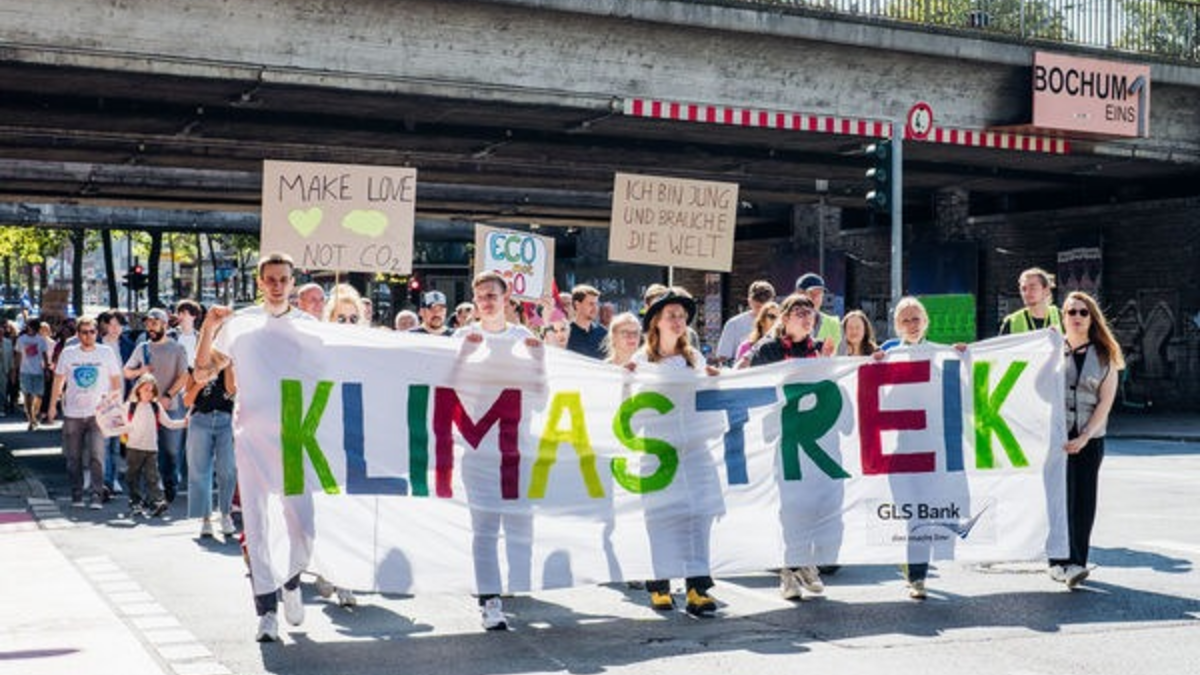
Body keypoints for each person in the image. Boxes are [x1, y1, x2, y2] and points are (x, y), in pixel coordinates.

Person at [196, 252, 315, 642]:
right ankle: (266, 611)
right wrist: (208, 329)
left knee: (304, 526)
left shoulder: (309, 327)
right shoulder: (240, 325)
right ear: (260, 283)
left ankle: (293, 581)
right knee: (258, 526)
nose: (277, 285)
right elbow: (202, 371)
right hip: (250, 435)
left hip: (297, 436)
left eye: (284, 279)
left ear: (293, 283)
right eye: (271, 279)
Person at [454, 270, 544, 631]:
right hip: (477, 448)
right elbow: (446, 389)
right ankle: (489, 600)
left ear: (506, 299)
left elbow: (541, 396)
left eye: (493, 295)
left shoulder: (524, 338)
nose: (487, 301)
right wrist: (464, 355)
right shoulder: (463, 336)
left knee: (520, 521)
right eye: (481, 296)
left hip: (516, 447)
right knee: (485, 526)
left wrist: (538, 360)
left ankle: (514, 584)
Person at [628, 287, 721, 616]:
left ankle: (698, 587)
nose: (678, 321)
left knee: (698, 516)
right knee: (661, 517)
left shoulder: (694, 359)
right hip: (658, 451)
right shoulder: (640, 361)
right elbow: (628, 410)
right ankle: (660, 584)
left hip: (694, 449)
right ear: (656, 322)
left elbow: (706, 401)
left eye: (682, 316)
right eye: (671, 315)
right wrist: (625, 381)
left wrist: (713, 381)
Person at [737, 294, 831, 600]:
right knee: (787, 506)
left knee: (810, 504)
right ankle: (789, 571)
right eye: (799, 312)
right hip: (780, 438)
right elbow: (755, 385)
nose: (807, 317)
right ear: (785, 318)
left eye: (811, 313)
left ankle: (802, 562)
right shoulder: (769, 349)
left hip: (811, 440)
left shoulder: (819, 351)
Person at [874, 296, 966, 599]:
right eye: (905, 320)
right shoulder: (888, 355)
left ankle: (917, 575)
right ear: (897, 325)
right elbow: (878, 402)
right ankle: (914, 567)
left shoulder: (942, 356)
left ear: (926, 322)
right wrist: (874, 369)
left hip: (935, 450)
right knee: (910, 511)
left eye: (916, 319)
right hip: (902, 449)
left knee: (925, 512)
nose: (912, 325)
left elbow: (963, 395)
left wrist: (966, 361)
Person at [1049, 291, 1123, 590]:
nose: (1077, 317)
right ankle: (1058, 562)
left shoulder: (1106, 354)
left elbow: (1105, 402)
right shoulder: (1050, 350)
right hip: (1055, 439)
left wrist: (1084, 436)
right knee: (1058, 501)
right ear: (1063, 316)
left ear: (1092, 318)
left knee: (1083, 501)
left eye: (1083, 312)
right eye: (1071, 312)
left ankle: (1077, 562)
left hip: (1090, 439)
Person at [46, 317, 124, 509]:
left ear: (97, 333)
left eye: (92, 332)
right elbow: (59, 380)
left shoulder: (105, 352)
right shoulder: (68, 353)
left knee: (97, 455)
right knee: (74, 457)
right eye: (84, 332)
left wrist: (115, 406)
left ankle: (97, 495)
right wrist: (52, 405)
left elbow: (115, 380)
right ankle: (77, 494)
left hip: (98, 412)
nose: (88, 336)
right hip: (73, 412)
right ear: (78, 334)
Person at [122, 307, 190, 504]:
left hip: (171, 405)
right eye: (148, 323)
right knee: (145, 450)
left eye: (154, 323)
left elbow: (184, 375)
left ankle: (170, 486)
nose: (150, 327)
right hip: (145, 407)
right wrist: (140, 370)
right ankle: (151, 493)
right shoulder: (142, 348)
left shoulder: (177, 349)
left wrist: (169, 395)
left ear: (165, 325)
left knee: (170, 451)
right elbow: (126, 371)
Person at [113, 373, 189, 518]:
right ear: (138, 390)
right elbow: (118, 424)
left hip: (151, 449)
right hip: (133, 448)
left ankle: (156, 502)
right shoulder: (129, 407)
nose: (148, 393)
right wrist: (110, 426)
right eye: (145, 389)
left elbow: (169, 423)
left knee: (152, 477)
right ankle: (136, 503)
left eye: (151, 390)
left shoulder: (156, 407)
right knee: (133, 477)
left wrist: (185, 423)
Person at [184, 360, 237, 539]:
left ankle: (225, 514)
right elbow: (187, 400)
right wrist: (200, 383)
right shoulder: (195, 367)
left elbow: (231, 390)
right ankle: (205, 519)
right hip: (200, 420)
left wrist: (228, 365)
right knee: (199, 471)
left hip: (226, 420)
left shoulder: (230, 366)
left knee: (227, 469)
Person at [98, 310, 136, 497]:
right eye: (111, 324)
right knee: (104, 443)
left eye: (118, 325)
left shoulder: (128, 345)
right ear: (104, 325)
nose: (114, 329)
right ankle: (106, 481)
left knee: (117, 445)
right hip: (103, 401)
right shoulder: (98, 345)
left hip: (123, 400)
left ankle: (112, 479)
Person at [715, 280, 776, 367]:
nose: (761, 311)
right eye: (758, 306)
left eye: (765, 306)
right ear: (749, 301)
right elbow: (723, 358)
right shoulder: (734, 324)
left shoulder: (780, 323)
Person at [999, 267, 1062, 334]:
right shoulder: (1011, 322)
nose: (1027, 293)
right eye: (1023, 289)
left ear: (1046, 290)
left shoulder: (1061, 316)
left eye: (1032, 287)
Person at [15, 318, 51, 431]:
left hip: (38, 371)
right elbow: (18, 355)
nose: (32, 329)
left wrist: (46, 369)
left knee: (39, 395)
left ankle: (34, 414)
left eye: (35, 327)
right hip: (25, 371)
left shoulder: (41, 340)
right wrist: (16, 369)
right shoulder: (21, 339)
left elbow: (45, 355)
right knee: (27, 395)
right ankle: (31, 419)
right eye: (31, 326)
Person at [795, 273, 841, 351]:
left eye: (819, 293)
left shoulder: (834, 324)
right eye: (811, 293)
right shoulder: (787, 321)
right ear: (799, 294)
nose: (815, 298)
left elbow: (841, 357)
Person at [566, 284, 607, 359]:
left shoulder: (603, 333)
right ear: (577, 304)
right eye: (591, 304)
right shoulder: (565, 332)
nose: (595, 308)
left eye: (596, 304)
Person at [173, 300, 203, 367]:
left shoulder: (200, 338)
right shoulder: (170, 336)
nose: (180, 316)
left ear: (194, 316)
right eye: (179, 313)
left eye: (184, 313)